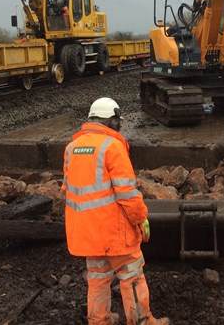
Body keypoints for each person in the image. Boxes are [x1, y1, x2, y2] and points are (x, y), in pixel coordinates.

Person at [62, 97, 170, 325]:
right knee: (131, 275)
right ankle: (142, 321)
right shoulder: (112, 146)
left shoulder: (71, 148)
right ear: (111, 122)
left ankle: (99, 320)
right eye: (117, 122)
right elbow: (126, 192)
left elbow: (67, 189)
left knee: (98, 277)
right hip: (113, 230)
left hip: (86, 232)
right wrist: (141, 219)